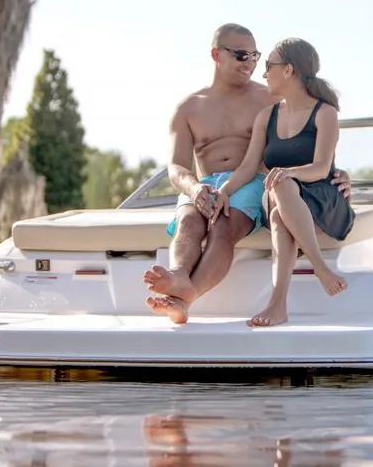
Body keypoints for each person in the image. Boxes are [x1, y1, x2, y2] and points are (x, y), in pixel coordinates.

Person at [143, 24, 352, 324]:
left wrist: (339, 173)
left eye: (255, 56)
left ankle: (183, 297)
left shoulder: (269, 99)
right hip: (205, 184)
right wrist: (194, 190)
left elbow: (308, 141)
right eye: (242, 56)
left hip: (253, 181)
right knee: (188, 220)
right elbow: (176, 167)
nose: (251, 64)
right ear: (217, 54)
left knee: (223, 226)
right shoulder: (188, 108)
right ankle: (178, 277)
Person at [210, 37, 355, 327]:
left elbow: (321, 167)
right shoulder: (267, 116)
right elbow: (249, 166)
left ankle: (279, 303)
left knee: (280, 199)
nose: (264, 74)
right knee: (280, 196)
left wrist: (290, 173)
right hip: (282, 195)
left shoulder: (325, 113)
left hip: (320, 199)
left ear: (288, 70)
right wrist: (222, 191)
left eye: (268, 66)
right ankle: (318, 269)